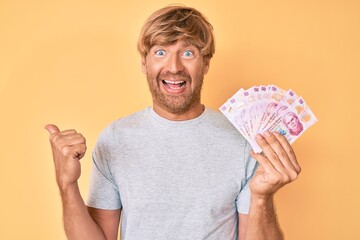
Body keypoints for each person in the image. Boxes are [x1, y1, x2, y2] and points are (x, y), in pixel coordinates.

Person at [45, 5, 301, 240]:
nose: (174, 67)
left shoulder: (244, 141)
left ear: (206, 63)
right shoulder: (115, 138)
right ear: (144, 63)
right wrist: (67, 186)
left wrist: (261, 198)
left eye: (188, 53)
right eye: (160, 52)